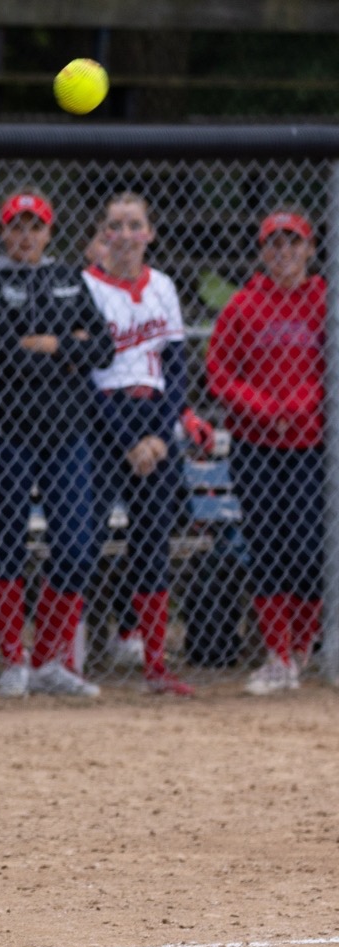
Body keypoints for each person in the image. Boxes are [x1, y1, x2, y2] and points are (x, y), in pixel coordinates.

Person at [0, 191, 112, 699]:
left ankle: (48, 659)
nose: (26, 237)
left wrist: (48, 344)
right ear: (3, 231)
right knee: (9, 539)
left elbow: (104, 347)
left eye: (35, 227)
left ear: (49, 231)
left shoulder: (69, 277)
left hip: (66, 431)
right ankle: (13, 660)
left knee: (75, 546)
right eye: (17, 227)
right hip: (6, 430)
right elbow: (1, 354)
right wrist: (68, 347)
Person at [207, 210, 327, 695]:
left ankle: (301, 647)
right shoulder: (243, 305)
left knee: (309, 551)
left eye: (293, 243)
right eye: (274, 244)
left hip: (311, 446)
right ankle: (278, 657)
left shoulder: (325, 300)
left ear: (310, 249)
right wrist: (262, 407)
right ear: (262, 252)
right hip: (256, 444)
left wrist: (297, 406)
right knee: (268, 546)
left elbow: (331, 367)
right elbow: (219, 370)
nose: (284, 252)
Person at [82, 191, 194, 696]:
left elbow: (177, 366)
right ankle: (65, 660)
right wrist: (128, 440)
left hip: (155, 421)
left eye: (134, 225)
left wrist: (161, 435)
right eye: (116, 225)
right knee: (83, 540)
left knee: (152, 544)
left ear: (150, 233)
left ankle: (155, 666)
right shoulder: (87, 287)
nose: (125, 235)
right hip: (106, 421)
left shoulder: (162, 286)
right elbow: (85, 376)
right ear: (103, 234)